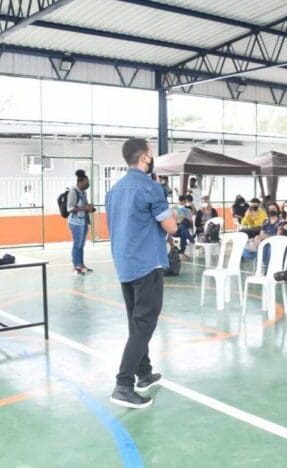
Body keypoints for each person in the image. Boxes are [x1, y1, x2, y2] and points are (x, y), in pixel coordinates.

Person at [105, 139, 177, 408]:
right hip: (146, 263)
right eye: (151, 154)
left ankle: (143, 373)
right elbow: (169, 226)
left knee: (136, 322)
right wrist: (176, 219)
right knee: (144, 323)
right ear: (145, 157)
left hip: (125, 264)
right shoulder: (150, 187)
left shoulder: (114, 190)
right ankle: (123, 384)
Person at [67, 169, 94, 276]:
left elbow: (85, 207)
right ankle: (75, 266)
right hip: (75, 223)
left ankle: (81, 265)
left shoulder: (83, 192)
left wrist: (89, 208)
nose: (88, 184)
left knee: (81, 245)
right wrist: (84, 208)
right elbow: (70, 208)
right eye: (86, 182)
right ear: (80, 182)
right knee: (76, 245)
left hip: (83, 222)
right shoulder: (73, 192)